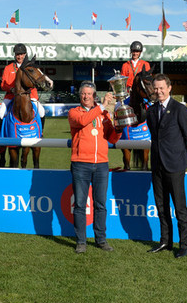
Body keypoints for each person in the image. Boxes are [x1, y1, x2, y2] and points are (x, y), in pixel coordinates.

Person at [68, 81, 121, 254]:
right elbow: (84, 121)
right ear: (80, 95)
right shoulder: (74, 112)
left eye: (89, 94)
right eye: (83, 93)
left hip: (101, 164)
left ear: (94, 95)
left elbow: (112, 139)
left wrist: (120, 127)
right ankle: (81, 241)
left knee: (100, 204)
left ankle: (101, 239)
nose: (86, 96)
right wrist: (103, 107)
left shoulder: (103, 114)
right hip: (81, 164)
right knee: (80, 205)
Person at [147, 74, 187, 259]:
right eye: (155, 88)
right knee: (161, 206)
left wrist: (178, 155)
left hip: (175, 165)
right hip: (157, 165)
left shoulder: (179, 109)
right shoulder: (151, 111)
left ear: (169, 88)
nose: (158, 91)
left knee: (180, 208)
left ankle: (184, 245)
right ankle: (165, 241)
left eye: (161, 88)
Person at [0, 43, 53, 131]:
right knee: (1, 112)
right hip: (11, 96)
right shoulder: (8, 68)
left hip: (30, 95)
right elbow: (3, 85)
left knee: (42, 112)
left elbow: (39, 77)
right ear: (15, 55)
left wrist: (47, 82)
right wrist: (11, 89)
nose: (19, 56)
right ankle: (0, 135)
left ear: (25, 54)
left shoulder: (31, 67)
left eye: (21, 54)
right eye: (17, 54)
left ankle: (40, 132)